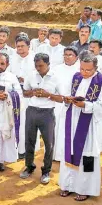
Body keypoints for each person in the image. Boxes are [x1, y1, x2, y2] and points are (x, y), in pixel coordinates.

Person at [59, 51, 102, 201]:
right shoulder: (75, 77)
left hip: (88, 126)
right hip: (72, 120)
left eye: (88, 70)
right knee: (70, 151)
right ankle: (68, 185)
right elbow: (65, 94)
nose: (84, 72)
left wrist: (86, 105)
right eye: (82, 69)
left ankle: (85, 189)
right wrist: (68, 99)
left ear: (96, 68)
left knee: (87, 156)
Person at [20, 53, 64, 184]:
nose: (38, 68)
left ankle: (46, 171)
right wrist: (33, 92)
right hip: (32, 111)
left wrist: (47, 95)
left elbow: (61, 98)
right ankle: (29, 167)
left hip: (47, 113)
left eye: (41, 65)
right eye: (36, 65)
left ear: (48, 64)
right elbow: (25, 93)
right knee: (29, 141)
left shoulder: (56, 78)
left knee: (49, 143)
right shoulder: (31, 75)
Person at [10, 35, 38, 158]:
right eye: (18, 46)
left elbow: (38, 76)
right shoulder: (12, 58)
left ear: (28, 46)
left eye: (22, 46)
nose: (20, 48)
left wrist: (25, 80)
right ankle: (16, 149)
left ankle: (28, 150)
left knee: (28, 123)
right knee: (16, 121)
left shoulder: (35, 59)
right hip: (15, 95)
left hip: (30, 95)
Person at [52, 46, 81, 161]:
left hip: (73, 104)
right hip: (58, 103)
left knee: (69, 130)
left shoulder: (80, 70)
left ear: (76, 57)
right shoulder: (56, 69)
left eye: (70, 55)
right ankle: (55, 155)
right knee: (55, 129)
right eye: (65, 54)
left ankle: (67, 155)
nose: (67, 57)